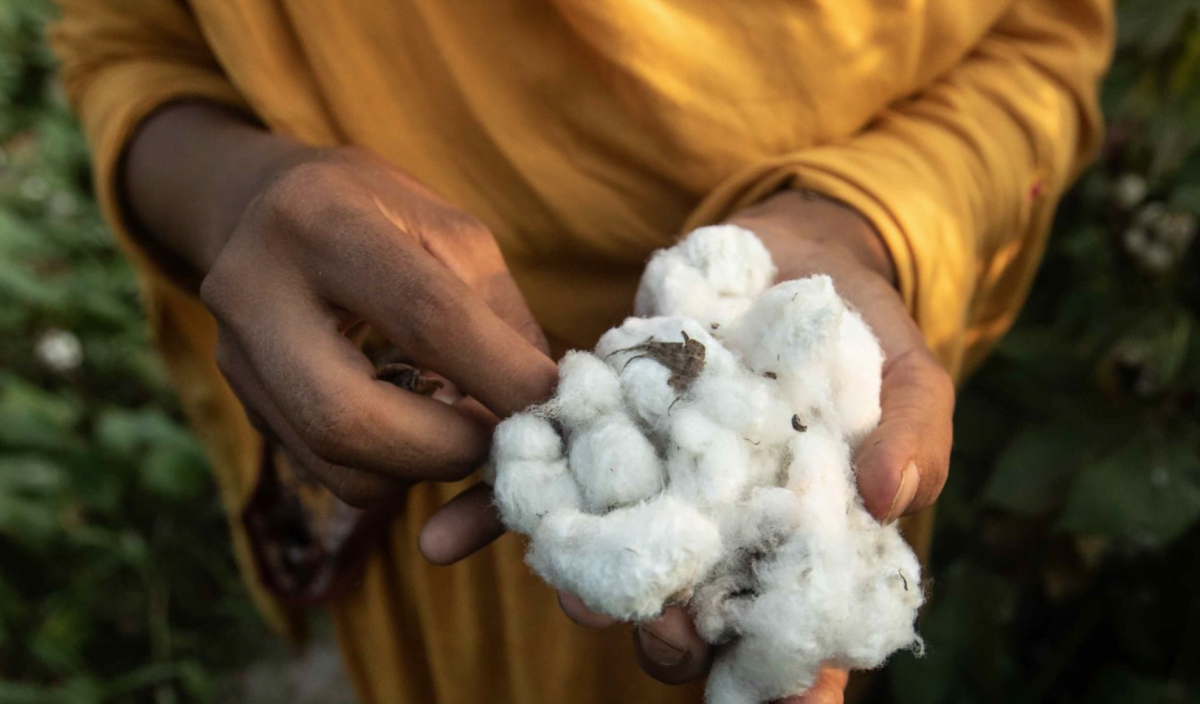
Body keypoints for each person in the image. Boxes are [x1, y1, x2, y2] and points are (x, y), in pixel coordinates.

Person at [50, 2, 1113, 702]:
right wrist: (241, 196)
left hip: (830, 357)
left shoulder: (787, 457)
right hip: (401, 426)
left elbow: (1043, 33)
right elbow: (128, 44)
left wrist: (858, 221)